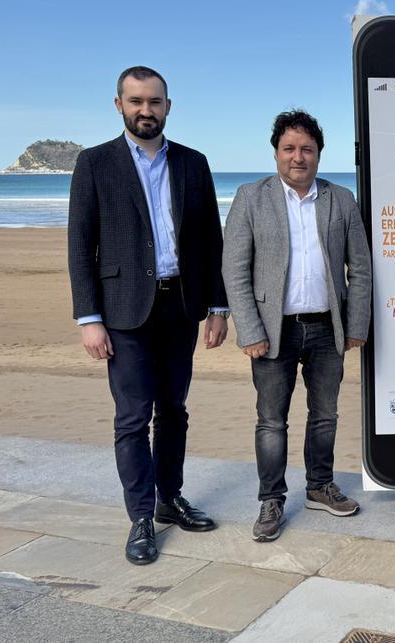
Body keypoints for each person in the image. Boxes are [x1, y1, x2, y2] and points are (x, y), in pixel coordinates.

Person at [67, 66, 228, 565]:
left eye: (154, 101)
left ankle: (168, 499)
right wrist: (88, 317)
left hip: (180, 305)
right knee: (133, 418)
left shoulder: (192, 163)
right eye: (136, 101)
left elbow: (209, 242)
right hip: (122, 311)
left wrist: (218, 306)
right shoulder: (95, 164)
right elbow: (80, 244)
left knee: (174, 410)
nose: (145, 110)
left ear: (168, 106)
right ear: (119, 104)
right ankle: (140, 517)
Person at [222, 110, 372, 542]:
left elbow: (359, 269)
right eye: (289, 148)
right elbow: (235, 270)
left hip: (328, 329)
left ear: (319, 155)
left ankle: (319, 487)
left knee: (325, 415)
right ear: (276, 153)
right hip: (273, 331)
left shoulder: (341, 200)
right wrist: (249, 331)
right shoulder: (252, 198)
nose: (298, 157)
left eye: (307, 149)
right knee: (272, 421)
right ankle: (271, 500)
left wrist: (356, 323)